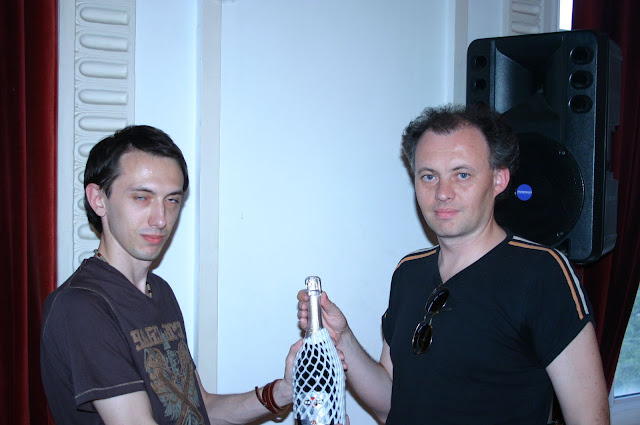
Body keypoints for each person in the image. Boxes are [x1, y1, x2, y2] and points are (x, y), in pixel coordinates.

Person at [297, 104, 610, 425]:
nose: (442, 193)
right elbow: (390, 404)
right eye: (428, 176)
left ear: (499, 179)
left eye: (462, 175)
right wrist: (342, 338)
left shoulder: (541, 273)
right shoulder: (408, 271)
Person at [41, 125, 300, 424]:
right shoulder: (81, 306)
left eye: (172, 199)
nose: (161, 219)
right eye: (142, 197)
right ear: (98, 199)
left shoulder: (158, 290)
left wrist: (284, 392)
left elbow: (199, 410)